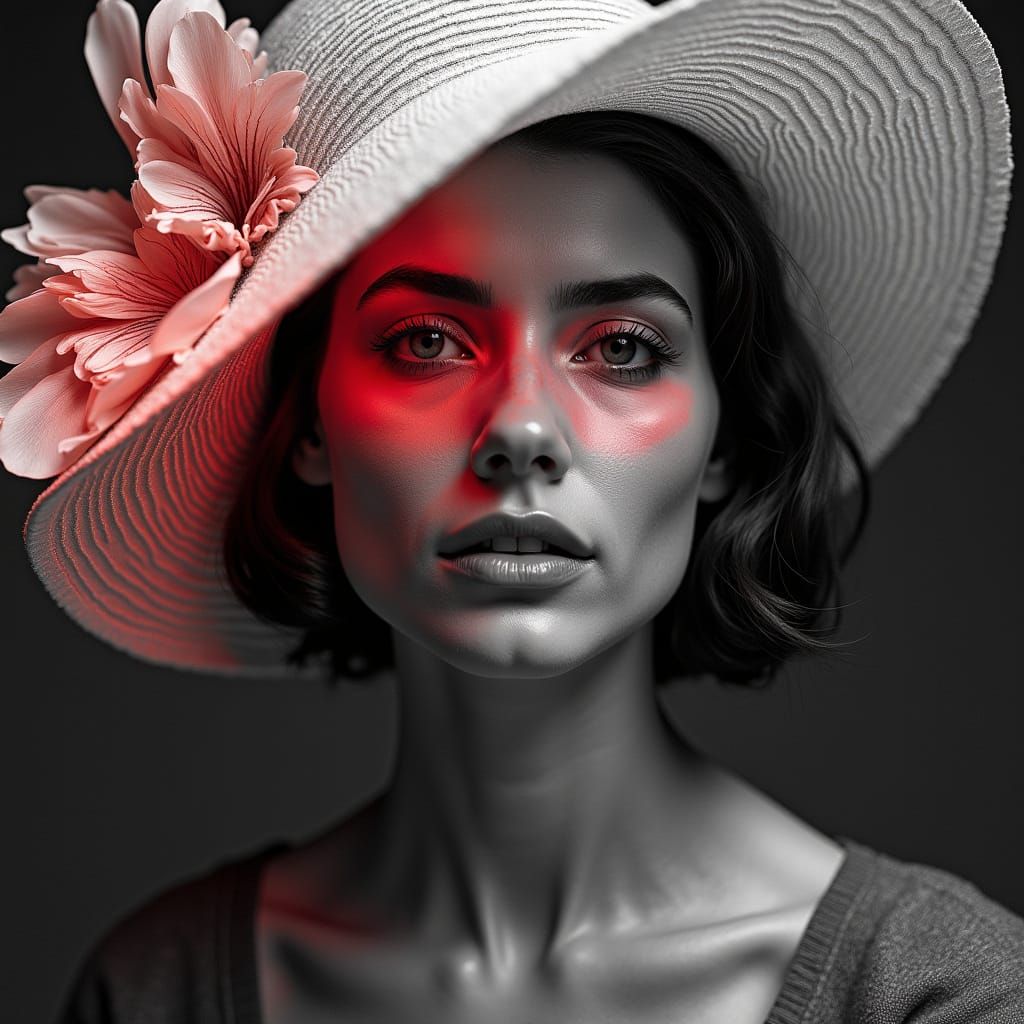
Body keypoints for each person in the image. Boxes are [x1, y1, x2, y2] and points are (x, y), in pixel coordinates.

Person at [0, 0, 1019, 1021]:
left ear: (725, 434)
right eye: (425, 341)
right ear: (308, 423)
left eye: (622, 346)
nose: (521, 429)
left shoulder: (938, 994)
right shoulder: (155, 993)